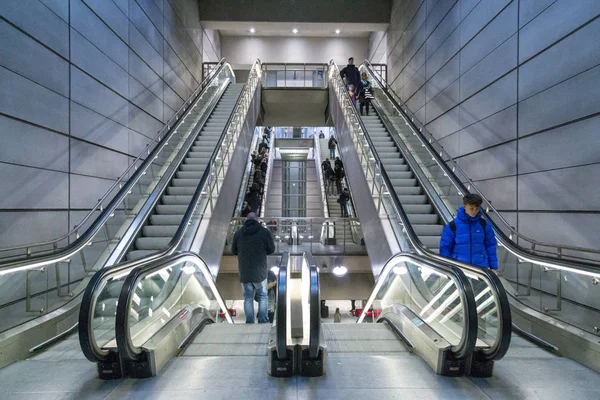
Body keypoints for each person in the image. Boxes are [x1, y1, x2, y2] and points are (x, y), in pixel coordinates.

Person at [232, 213, 276, 324]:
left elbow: (233, 251)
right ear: (257, 220)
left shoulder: (238, 233)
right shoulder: (264, 232)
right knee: (262, 296)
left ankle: (250, 322)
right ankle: (263, 321)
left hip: (244, 272)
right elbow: (271, 249)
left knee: (248, 298)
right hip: (260, 273)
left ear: (246, 220)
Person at [439, 194, 498, 273]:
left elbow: (490, 245)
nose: (474, 211)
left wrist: (493, 267)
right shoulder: (453, 226)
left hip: (481, 268)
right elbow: (445, 247)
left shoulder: (483, 224)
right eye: (471, 208)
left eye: (477, 209)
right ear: (465, 206)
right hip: (459, 268)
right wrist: (446, 266)